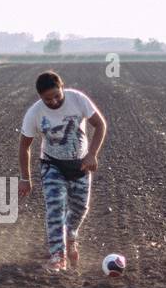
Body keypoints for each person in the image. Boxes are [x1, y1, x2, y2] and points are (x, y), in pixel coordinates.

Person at [17, 70, 107, 271]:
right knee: (55, 207)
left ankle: (71, 235)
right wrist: (25, 178)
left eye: (57, 96)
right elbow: (24, 146)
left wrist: (92, 154)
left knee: (80, 208)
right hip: (52, 164)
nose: (54, 102)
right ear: (40, 97)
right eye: (47, 99)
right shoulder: (35, 113)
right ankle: (58, 255)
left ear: (62, 87)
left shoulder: (78, 100)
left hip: (80, 164)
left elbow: (100, 125)